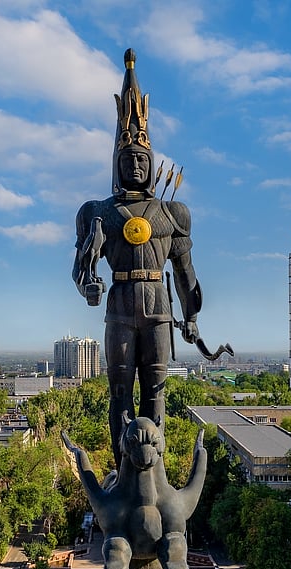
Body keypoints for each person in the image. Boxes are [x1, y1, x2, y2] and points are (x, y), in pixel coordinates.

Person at [72, 49, 202, 458]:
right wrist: (89, 285)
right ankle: (123, 466)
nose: (136, 166)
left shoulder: (171, 213)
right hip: (121, 307)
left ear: (151, 162)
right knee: (119, 392)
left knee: (157, 391)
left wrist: (193, 315)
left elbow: (185, 272)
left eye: (142, 159)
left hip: (160, 308)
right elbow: (82, 266)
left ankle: (154, 468)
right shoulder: (99, 213)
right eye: (127, 159)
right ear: (116, 163)